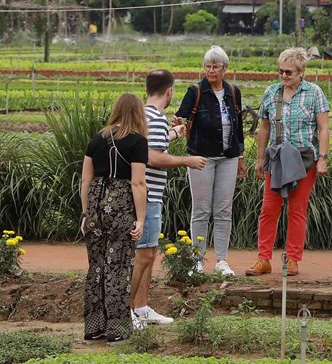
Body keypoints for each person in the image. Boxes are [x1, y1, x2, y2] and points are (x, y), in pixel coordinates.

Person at [129, 70, 207, 329]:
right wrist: (188, 160)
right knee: (145, 254)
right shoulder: (157, 119)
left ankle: (140, 307)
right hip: (149, 194)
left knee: (148, 252)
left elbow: (152, 145)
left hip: (143, 194)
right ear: (169, 91)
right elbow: (154, 156)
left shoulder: (142, 114)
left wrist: (174, 133)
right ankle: (128, 310)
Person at [247, 47, 331, 276]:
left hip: (304, 158)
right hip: (277, 158)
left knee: (297, 209)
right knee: (268, 209)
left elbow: (324, 127)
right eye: (281, 71)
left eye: (289, 72)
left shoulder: (314, 93)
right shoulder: (271, 92)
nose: (284, 76)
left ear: (301, 72)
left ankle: (293, 258)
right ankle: (263, 258)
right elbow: (264, 127)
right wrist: (259, 158)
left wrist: (323, 158)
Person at [80, 93, 148, 344]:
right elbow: (138, 182)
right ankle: (117, 330)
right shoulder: (138, 142)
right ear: (138, 112)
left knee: (96, 266)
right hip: (120, 204)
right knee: (118, 266)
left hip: (97, 203)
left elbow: (85, 179)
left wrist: (86, 213)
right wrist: (140, 219)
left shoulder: (97, 138)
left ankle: (93, 327)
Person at [173, 46, 247, 277]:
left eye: (216, 66)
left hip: (229, 157)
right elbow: (181, 116)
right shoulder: (195, 91)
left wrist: (241, 156)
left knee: (224, 209)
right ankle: (197, 260)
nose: (211, 70)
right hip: (200, 157)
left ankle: (222, 261)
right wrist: (177, 122)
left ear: (225, 68)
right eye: (208, 66)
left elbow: (239, 128)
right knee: (202, 209)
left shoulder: (233, 92)